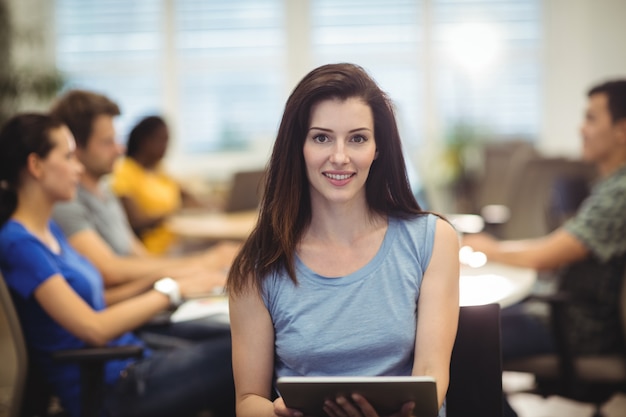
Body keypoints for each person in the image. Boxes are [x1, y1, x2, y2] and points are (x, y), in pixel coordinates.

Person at [226, 63, 460, 417]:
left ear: (377, 148)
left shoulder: (432, 240)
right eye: (321, 137)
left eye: (357, 138)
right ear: (298, 147)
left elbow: (430, 376)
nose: (339, 156)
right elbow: (247, 402)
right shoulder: (258, 266)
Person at [0, 113, 235, 417]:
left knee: (237, 343)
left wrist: (166, 282)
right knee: (245, 354)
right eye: (69, 156)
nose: (78, 167)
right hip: (111, 388)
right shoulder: (20, 245)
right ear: (35, 165)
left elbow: (98, 302)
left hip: (127, 360)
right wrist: (172, 290)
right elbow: (94, 328)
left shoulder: (49, 231)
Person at [463, 80, 626, 414]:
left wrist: (486, 248)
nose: (582, 128)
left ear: (622, 130)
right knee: (467, 324)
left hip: (577, 326)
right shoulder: (608, 186)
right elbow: (555, 246)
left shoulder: (619, 194)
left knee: (462, 342)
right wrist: (497, 248)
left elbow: (546, 256)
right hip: (566, 314)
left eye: (592, 118)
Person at [49, 90, 239, 306]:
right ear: (75, 147)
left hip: (144, 300)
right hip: (129, 310)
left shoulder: (105, 193)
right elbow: (110, 270)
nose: (120, 149)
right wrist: (203, 262)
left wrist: (200, 271)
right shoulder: (66, 203)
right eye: (107, 142)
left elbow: (140, 257)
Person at [110, 115, 203, 254]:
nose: (166, 146)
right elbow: (136, 222)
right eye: (162, 140)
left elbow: (187, 196)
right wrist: (171, 215)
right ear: (145, 141)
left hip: (176, 243)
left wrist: (210, 206)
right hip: (152, 251)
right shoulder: (125, 171)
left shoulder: (159, 170)